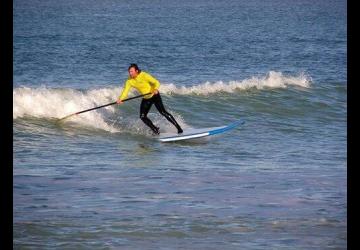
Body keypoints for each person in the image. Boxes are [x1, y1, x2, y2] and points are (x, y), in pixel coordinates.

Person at [117, 64, 183, 135]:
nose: (130, 73)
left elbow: (156, 82)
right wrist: (120, 99)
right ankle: (155, 129)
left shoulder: (144, 75)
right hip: (146, 98)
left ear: (136, 71)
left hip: (154, 95)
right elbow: (125, 91)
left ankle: (179, 128)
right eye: (129, 72)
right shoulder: (129, 81)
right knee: (142, 116)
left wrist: (155, 89)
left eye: (131, 72)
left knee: (163, 112)